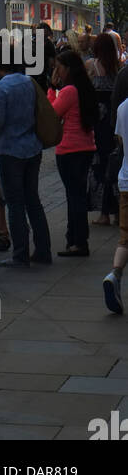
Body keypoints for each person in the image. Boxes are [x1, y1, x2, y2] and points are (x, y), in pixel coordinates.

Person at [0, 49, 52, 268]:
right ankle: (43, 250)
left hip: (10, 151)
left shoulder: (0, 88)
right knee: (33, 201)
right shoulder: (29, 83)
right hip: (32, 148)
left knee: (15, 204)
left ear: (0, 66)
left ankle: (20, 254)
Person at [49, 49, 98, 257]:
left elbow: (52, 114)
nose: (56, 72)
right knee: (76, 194)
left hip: (69, 148)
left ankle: (78, 241)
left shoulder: (69, 91)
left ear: (68, 69)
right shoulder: (84, 88)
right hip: (85, 146)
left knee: (74, 197)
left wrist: (51, 89)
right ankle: (75, 239)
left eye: (59, 68)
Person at [87, 31, 120, 226]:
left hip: (98, 125)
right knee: (115, 166)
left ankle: (104, 213)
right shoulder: (119, 69)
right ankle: (117, 212)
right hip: (114, 124)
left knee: (100, 167)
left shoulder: (92, 66)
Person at [103, 89, 128, 313]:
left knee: (125, 237)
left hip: (126, 181)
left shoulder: (122, 107)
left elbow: (120, 140)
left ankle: (115, 274)